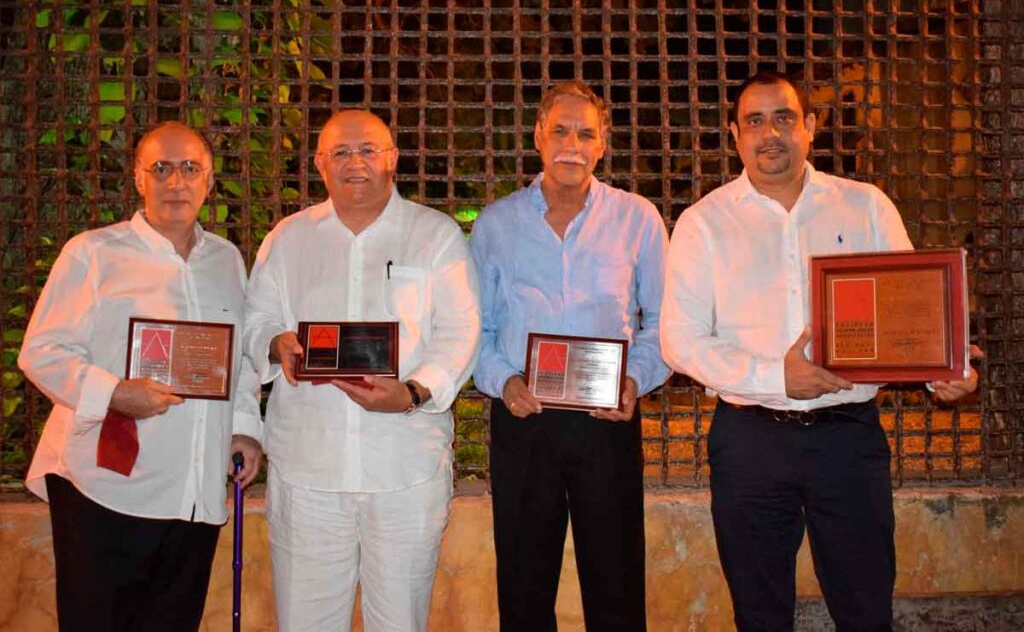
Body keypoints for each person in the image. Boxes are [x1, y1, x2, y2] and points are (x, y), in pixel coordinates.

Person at [660, 70, 980, 631]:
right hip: (749, 442)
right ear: (735, 134)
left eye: (784, 118)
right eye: (754, 121)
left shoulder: (864, 207)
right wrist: (776, 377)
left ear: (809, 127)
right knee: (760, 614)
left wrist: (941, 373)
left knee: (865, 608)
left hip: (848, 439)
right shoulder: (703, 223)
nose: (770, 133)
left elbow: (908, 310)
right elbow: (679, 340)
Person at [19, 121, 263, 632]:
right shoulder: (93, 253)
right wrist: (114, 393)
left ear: (210, 181)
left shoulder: (228, 259)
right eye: (162, 168)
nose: (176, 180)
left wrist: (244, 429)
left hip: (192, 491)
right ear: (138, 179)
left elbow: (238, 360)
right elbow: (41, 351)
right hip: (106, 486)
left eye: (190, 168)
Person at [243, 109, 481, 631]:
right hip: (308, 470)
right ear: (319, 164)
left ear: (392, 158)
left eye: (369, 150)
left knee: (399, 622)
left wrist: (415, 393)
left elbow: (461, 331)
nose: (356, 162)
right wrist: (274, 341)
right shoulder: (288, 238)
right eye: (341, 153)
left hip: (404, 469)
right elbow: (256, 318)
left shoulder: (434, 234)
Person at [470, 80, 670, 631]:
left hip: (607, 420)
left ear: (603, 144)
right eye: (560, 129)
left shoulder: (638, 219)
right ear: (538, 135)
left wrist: (635, 381)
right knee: (524, 584)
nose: (571, 144)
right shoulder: (496, 224)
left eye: (585, 133)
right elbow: (477, 330)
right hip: (523, 420)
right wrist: (502, 380)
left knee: (617, 583)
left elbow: (663, 323)